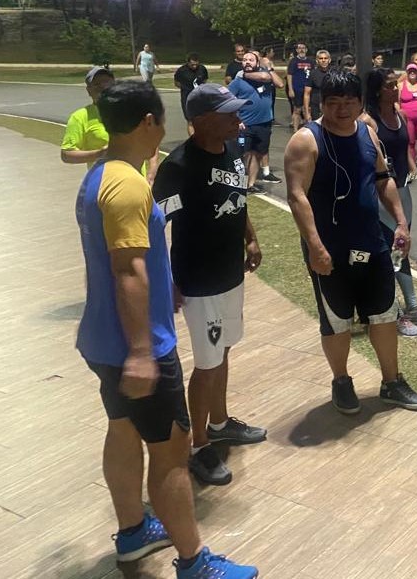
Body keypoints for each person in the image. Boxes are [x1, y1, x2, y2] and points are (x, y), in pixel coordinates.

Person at [76, 80, 258, 578]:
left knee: (123, 428)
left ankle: (134, 532)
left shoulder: (100, 176)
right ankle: (194, 562)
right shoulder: (130, 187)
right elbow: (128, 270)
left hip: (101, 338)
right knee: (172, 454)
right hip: (136, 344)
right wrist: (141, 352)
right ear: (149, 122)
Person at [284, 70, 417, 414]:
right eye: (333, 103)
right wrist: (315, 247)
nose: (341, 110)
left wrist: (400, 222)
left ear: (360, 103)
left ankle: (392, 382)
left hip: (372, 241)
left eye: (349, 103)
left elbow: (383, 180)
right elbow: (296, 197)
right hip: (330, 250)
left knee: (383, 314)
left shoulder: (366, 132)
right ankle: (341, 381)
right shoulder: (307, 140)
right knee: (337, 321)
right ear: (322, 104)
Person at [152, 83, 267, 486]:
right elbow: (153, 228)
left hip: (230, 273)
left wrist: (249, 237)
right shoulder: (180, 167)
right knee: (206, 363)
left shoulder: (232, 150)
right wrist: (166, 280)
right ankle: (198, 446)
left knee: (225, 350)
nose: (238, 118)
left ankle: (219, 423)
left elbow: (237, 199)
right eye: (229, 113)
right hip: (198, 281)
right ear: (201, 121)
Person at [362, 68, 417, 337]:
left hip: (401, 190)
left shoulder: (400, 115)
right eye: (388, 86)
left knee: (401, 247)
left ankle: (412, 307)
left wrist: (411, 169)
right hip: (380, 193)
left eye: (394, 85)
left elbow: (404, 148)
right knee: (385, 253)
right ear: (377, 90)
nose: (394, 89)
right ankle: (394, 314)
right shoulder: (368, 121)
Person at [62, 67, 158, 182]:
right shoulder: (80, 117)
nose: (103, 87)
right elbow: (66, 155)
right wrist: (100, 153)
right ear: (89, 90)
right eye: (97, 84)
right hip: (104, 185)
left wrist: (152, 174)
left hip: (137, 182)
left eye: (107, 82)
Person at [228, 51, 283, 193]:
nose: (247, 62)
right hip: (245, 125)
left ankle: (250, 185)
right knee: (243, 155)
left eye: (251, 60)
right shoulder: (238, 81)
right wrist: (236, 120)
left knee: (258, 154)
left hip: (264, 124)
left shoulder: (266, 77)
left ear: (257, 63)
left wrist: (269, 67)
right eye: (245, 60)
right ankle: (239, 184)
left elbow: (280, 84)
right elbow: (227, 102)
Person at [174, 54, 209, 136]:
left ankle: (201, 137)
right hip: (187, 98)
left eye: (196, 64)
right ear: (188, 63)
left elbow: (205, 80)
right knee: (190, 121)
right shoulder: (182, 70)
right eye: (192, 64)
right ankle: (193, 140)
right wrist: (185, 87)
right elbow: (176, 82)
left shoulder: (202, 69)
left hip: (200, 98)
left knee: (201, 119)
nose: (194, 66)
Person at [287, 42, 313, 129]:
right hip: (297, 89)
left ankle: (308, 129)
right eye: (299, 48)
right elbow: (289, 75)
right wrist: (290, 89)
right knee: (297, 110)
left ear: (306, 50)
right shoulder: (293, 61)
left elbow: (313, 74)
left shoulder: (310, 61)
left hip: (308, 89)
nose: (301, 49)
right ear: (297, 50)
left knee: (307, 110)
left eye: (303, 48)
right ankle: (295, 130)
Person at [304, 50, 333, 121]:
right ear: (317, 61)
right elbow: (306, 94)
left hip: (331, 106)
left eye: (325, 58)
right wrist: (307, 112)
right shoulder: (312, 74)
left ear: (329, 60)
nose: (323, 60)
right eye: (321, 58)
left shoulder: (334, 73)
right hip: (316, 107)